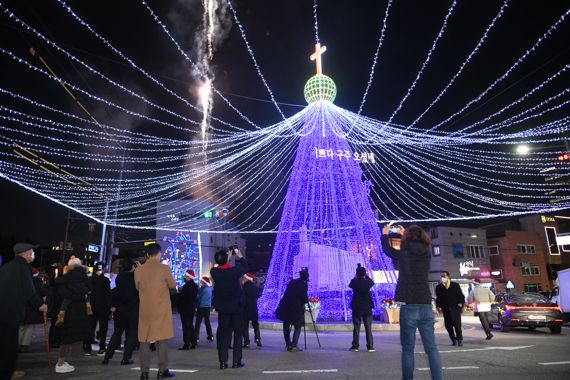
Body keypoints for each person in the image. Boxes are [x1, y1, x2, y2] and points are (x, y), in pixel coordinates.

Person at [381, 224, 442, 380]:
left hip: (409, 304)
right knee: (431, 348)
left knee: (408, 349)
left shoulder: (404, 252)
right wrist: (404, 236)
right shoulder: (427, 252)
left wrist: (385, 234)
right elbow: (412, 247)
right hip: (425, 303)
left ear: (407, 238)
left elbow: (388, 251)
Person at [0, 243, 47, 380]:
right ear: (26, 253)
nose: (33, 254)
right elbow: (29, 291)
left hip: (2, 311)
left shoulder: (6, 266)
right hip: (11, 314)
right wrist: (40, 305)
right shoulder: (24, 267)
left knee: (3, 346)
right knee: (9, 348)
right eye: (32, 251)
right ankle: (6, 374)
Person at [135, 243, 177, 379]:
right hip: (161, 308)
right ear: (158, 253)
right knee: (162, 339)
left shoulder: (139, 270)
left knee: (144, 340)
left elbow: (137, 287)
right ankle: (162, 370)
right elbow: (172, 284)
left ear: (147, 254)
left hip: (145, 308)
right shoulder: (164, 268)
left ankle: (144, 372)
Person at [210, 247, 248, 369]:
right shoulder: (234, 271)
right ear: (227, 259)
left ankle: (222, 362)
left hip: (223, 308)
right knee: (237, 333)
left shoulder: (214, 272)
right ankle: (236, 361)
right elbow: (245, 267)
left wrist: (227, 258)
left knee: (224, 334)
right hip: (236, 307)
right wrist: (239, 255)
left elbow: (219, 267)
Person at [54, 256, 92, 374]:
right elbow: (89, 291)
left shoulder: (66, 279)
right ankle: (62, 363)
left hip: (68, 312)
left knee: (66, 337)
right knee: (74, 337)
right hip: (80, 312)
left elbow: (56, 285)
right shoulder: (85, 279)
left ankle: (60, 363)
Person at [102, 258, 139, 365]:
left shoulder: (119, 278)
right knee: (132, 334)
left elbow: (115, 292)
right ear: (132, 267)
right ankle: (126, 358)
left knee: (117, 333)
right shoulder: (135, 278)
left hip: (120, 310)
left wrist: (113, 305)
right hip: (133, 310)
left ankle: (107, 357)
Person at [275, 268, 309, 352]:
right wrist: (306, 300)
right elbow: (304, 298)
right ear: (306, 278)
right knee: (298, 326)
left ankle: (288, 344)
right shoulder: (304, 285)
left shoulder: (292, 282)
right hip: (296, 309)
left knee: (286, 325)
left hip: (286, 307)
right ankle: (294, 345)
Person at [19, 268, 49, 353]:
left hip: (23, 306)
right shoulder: (38, 283)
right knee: (29, 327)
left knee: (21, 326)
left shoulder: (23, 281)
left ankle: (17, 343)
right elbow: (44, 293)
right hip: (33, 308)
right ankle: (24, 345)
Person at [349, 263, 375, 352]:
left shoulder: (355, 282)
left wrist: (356, 276)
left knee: (356, 327)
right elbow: (372, 282)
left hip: (356, 307)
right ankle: (370, 346)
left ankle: (355, 346)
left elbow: (350, 284)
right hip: (367, 307)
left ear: (357, 273)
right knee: (368, 327)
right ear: (364, 274)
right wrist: (366, 276)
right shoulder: (367, 282)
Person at [435, 271, 465, 346]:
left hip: (455, 308)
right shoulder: (439, 287)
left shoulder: (455, 285)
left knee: (457, 325)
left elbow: (461, 296)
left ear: (448, 276)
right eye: (441, 276)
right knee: (448, 326)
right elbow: (438, 299)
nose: (443, 278)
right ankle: (453, 339)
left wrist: (460, 303)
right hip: (446, 309)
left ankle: (459, 339)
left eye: (444, 276)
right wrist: (438, 306)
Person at [88, 262, 111, 356]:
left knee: (91, 327)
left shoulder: (90, 279)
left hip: (92, 306)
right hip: (103, 307)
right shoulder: (105, 280)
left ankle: (87, 347)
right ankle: (102, 348)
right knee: (103, 328)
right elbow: (108, 295)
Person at [177, 269, 199, 350]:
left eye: (185, 276)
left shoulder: (186, 286)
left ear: (188, 277)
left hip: (185, 308)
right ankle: (193, 342)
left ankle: (187, 343)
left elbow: (183, 298)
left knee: (186, 326)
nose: (184, 277)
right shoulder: (195, 286)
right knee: (190, 325)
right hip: (191, 308)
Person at [242, 273, 262, 348]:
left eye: (244, 278)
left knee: (245, 325)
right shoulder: (255, 288)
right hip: (254, 308)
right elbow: (258, 296)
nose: (243, 279)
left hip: (245, 309)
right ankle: (257, 338)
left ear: (247, 279)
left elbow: (241, 298)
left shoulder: (243, 288)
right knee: (256, 324)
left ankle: (247, 342)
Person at [194, 276, 213, 344]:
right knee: (207, 322)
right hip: (207, 307)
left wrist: (196, 305)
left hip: (201, 307)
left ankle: (196, 338)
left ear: (203, 281)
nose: (200, 282)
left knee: (198, 323)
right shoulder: (210, 289)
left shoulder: (202, 289)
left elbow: (198, 297)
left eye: (201, 281)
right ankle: (210, 335)